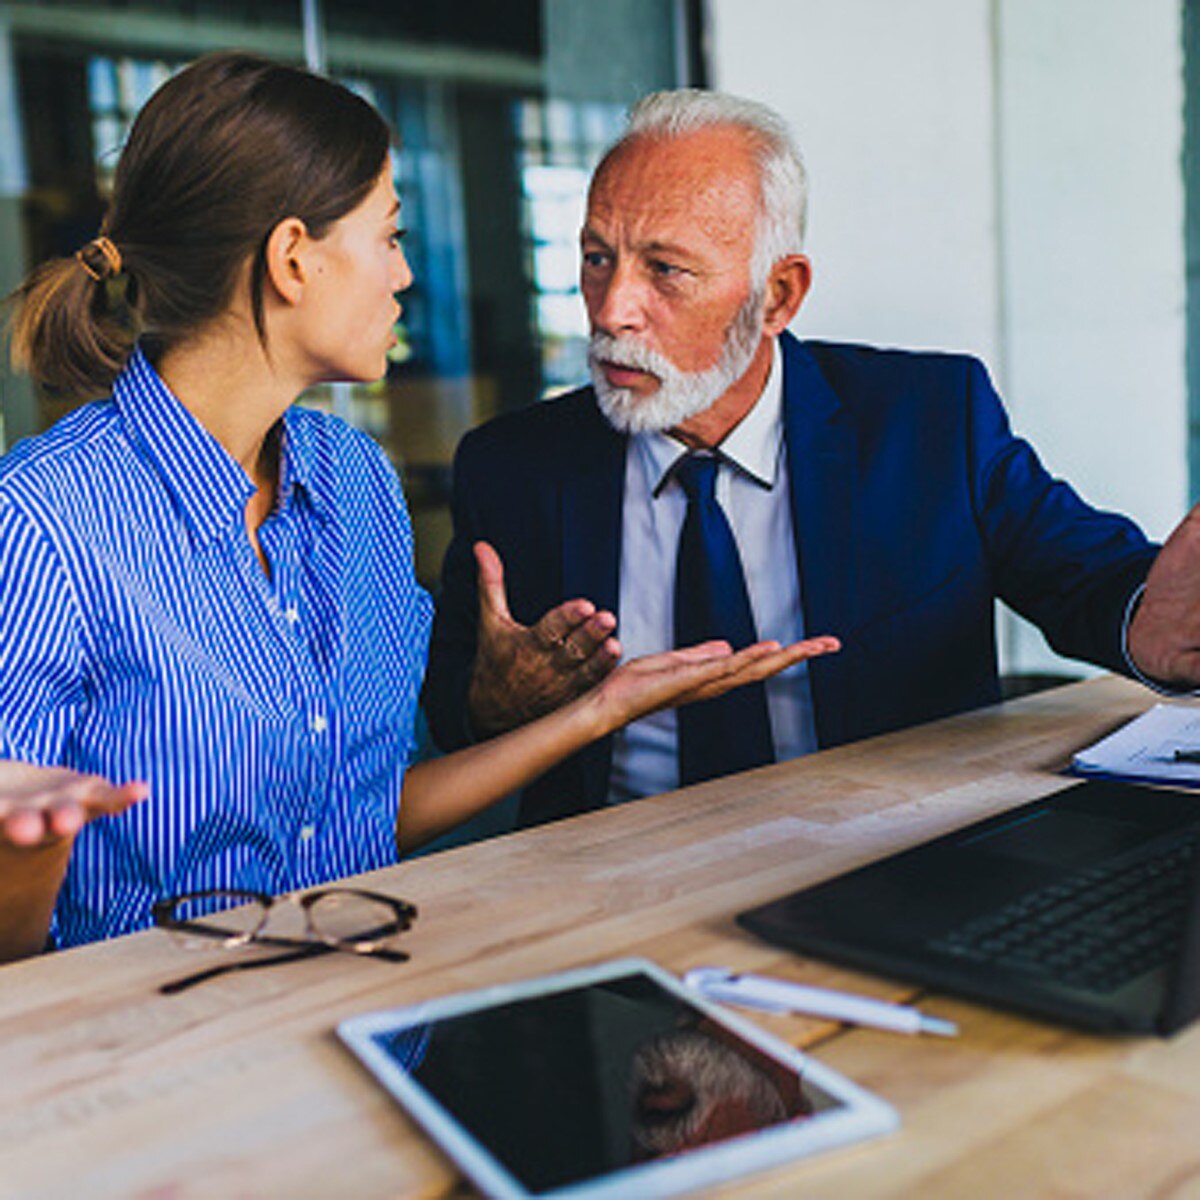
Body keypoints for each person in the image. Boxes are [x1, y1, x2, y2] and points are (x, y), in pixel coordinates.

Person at [0, 57, 840, 964]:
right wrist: (32, 854)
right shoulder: (43, 522)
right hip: (165, 1066)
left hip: (377, 1019)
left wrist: (595, 713)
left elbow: (369, 814)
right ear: (293, 260)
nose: (405, 275)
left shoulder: (356, 481)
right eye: (389, 237)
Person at [423, 87, 1200, 829]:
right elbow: (459, 717)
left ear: (779, 295)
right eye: (598, 258)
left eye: (664, 269)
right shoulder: (513, 466)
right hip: (604, 884)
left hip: (882, 867)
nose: (612, 308)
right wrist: (499, 702)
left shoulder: (930, 419)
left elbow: (1085, 577)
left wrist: (1146, 624)